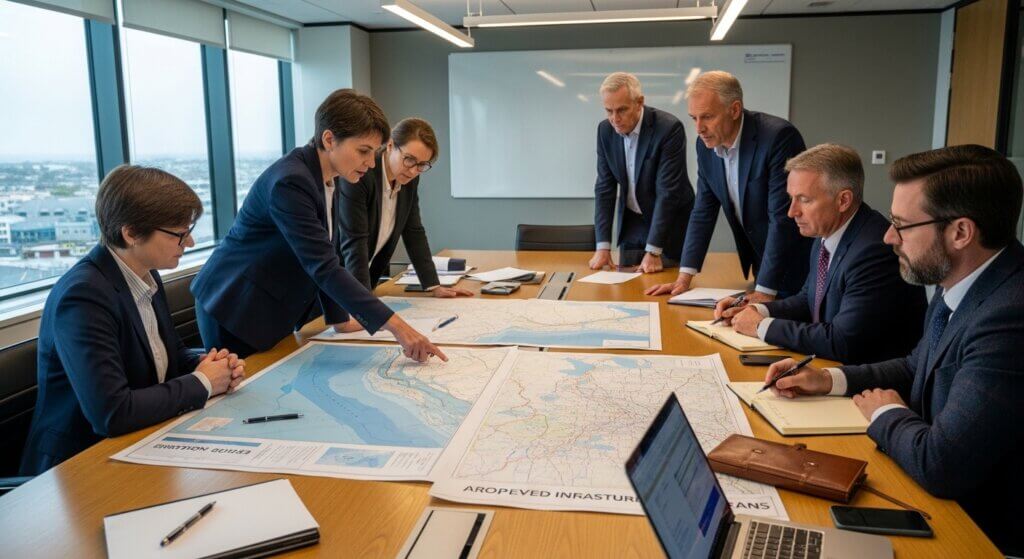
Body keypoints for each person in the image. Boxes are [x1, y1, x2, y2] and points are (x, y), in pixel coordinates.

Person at [762, 145, 1024, 556]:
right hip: (934, 495)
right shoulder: (960, 280)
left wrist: (885, 412)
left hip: (979, 533)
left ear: (960, 232)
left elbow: (942, 465)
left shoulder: (1009, 318)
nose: (888, 236)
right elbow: (915, 364)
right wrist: (829, 379)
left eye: (901, 225)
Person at [20, 165, 245, 475]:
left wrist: (209, 363)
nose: (189, 243)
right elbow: (111, 412)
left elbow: (170, 355)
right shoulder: (84, 296)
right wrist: (204, 382)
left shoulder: (145, 274)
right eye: (179, 234)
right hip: (76, 470)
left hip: (137, 445)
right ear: (131, 233)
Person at [191, 89, 446, 363]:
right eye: (363, 151)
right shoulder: (291, 182)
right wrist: (398, 327)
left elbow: (328, 253)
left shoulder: (329, 177)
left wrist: (340, 320)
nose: (370, 163)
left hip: (269, 303)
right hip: (235, 306)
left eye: (374, 153)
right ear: (329, 139)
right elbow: (323, 266)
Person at [715, 144, 926, 363]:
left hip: (869, 382)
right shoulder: (826, 233)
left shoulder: (874, 250)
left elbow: (843, 341)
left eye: (804, 200)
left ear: (843, 200)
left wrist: (761, 326)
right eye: (791, 198)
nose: (792, 212)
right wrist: (755, 309)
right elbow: (809, 300)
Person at [646, 70, 811, 303]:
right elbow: (703, 211)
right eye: (694, 118)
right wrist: (684, 277)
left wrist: (764, 291)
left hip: (795, 267)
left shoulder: (777, 137)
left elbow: (782, 219)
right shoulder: (705, 146)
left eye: (707, 117)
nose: (699, 128)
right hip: (760, 266)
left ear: (734, 110)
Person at [338, 117, 472, 297]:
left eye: (422, 165)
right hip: (333, 282)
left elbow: (413, 231)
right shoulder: (362, 174)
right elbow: (355, 242)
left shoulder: (409, 179)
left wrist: (433, 285)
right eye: (409, 159)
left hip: (365, 282)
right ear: (391, 146)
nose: (413, 171)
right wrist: (362, 303)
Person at [589, 72, 694, 272]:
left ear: (640, 102)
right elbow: (604, 188)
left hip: (668, 220)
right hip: (632, 220)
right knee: (626, 283)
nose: (615, 119)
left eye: (621, 110)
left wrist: (654, 251)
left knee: (661, 284)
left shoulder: (668, 128)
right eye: (608, 111)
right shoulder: (605, 131)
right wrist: (602, 246)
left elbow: (668, 192)